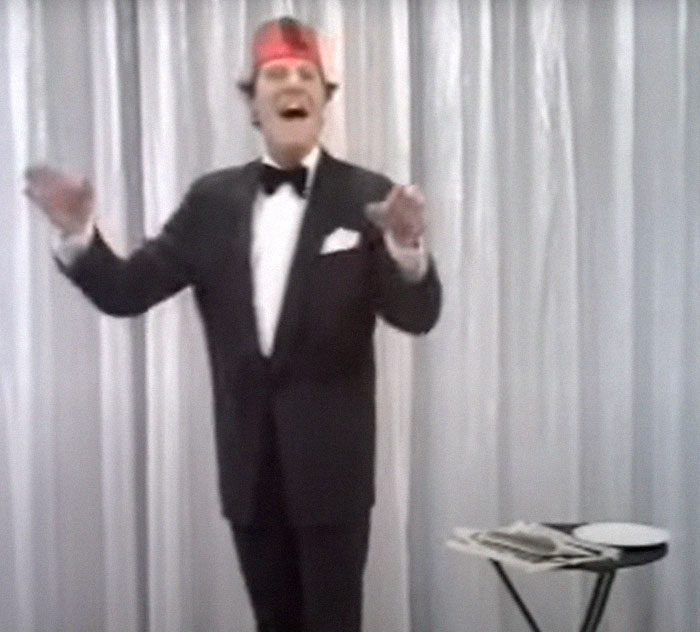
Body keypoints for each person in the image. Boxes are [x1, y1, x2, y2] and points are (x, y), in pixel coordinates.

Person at [24, 16, 441, 632]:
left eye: (306, 75)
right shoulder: (211, 202)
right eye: (276, 75)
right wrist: (79, 233)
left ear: (324, 100)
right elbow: (126, 291)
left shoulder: (368, 196)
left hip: (333, 475)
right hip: (249, 472)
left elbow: (417, 315)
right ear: (253, 103)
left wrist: (406, 249)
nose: (292, 84)